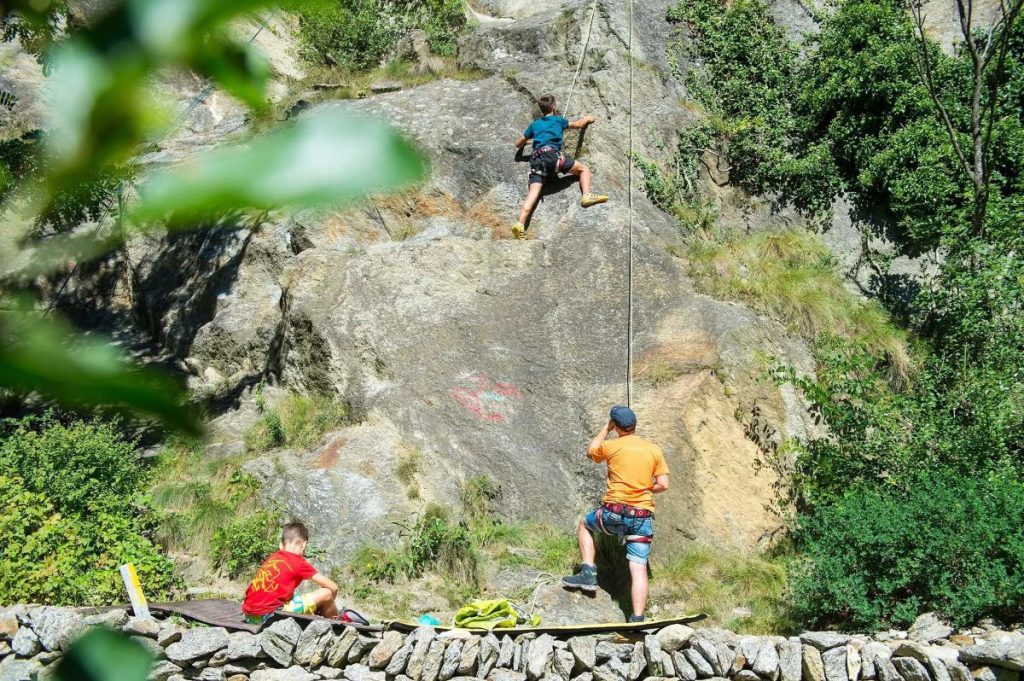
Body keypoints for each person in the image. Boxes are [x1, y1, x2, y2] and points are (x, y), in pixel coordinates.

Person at [562, 405, 670, 622]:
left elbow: (591, 451)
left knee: (585, 524)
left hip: (614, 514)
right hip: (642, 517)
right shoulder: (653, 449)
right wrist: (645, 487)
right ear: (634, 425)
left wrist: (606, 428)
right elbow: (664, 484)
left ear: (616, 425)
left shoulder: (611, 446)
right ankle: (637, 618)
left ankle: (588, 573)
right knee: (638, 567)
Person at [512, 94, 609, 239]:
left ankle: (520, 224)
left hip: (536, 160)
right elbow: (578, 125)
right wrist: (588, 118)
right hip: (552, 157)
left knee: (532, 195)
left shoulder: (535, 124)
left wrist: (527, 143)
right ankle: (587, 195)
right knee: (583, 169)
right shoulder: (558, 120)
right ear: (554, 106)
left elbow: (517, 143)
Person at [241, 521, 340, 624]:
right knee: (326, 594)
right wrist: (325, 605)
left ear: (281, 545)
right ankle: (335, 626)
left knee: (294, 597)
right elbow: (333, 588)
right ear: (304, 544)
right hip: (268, 617)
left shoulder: (273, 558)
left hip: (249, 616)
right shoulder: (298, 562)